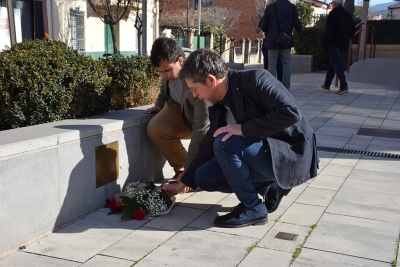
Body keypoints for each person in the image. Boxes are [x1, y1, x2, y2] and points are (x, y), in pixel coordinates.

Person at [164, 49, 318, 228]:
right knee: (203, 177)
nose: (194, 95)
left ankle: (253, 207)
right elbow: (207, 144)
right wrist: (182, 184)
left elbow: (291, 113)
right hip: (264, 154)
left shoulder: (256, 80)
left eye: (194, 89)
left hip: (291, 154)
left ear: (211, 80)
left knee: (226, 143)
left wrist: (244, 129)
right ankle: (271, 184)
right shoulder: (215, 103)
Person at [144, 37, 210, 184]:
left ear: (180, 61)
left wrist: (190, 173)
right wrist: (159, 104)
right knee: (155, 129)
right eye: (159, 72)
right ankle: (181, 170)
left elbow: (201, 129)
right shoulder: (168, 65)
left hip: (203, 119)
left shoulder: (198, 74)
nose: (163, 76)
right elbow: (164, 86)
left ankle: (192, 174)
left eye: (166, 71)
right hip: (177, 107)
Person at [261, 0, 302, 90]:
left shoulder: (269, 7)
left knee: (272, 63)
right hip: (286, 40)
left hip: (272, 40)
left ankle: (271, 87)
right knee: (286, 64)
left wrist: (271, 31)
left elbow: (263, 26)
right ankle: (286, 87)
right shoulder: (292, 7)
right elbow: (297, 24)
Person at [320, 0, 356, 95]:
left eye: (332, 3)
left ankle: (344, 86)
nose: (331, 4)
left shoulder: (333, 14)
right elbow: (353, 30)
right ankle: (326, 85)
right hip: (343, 44)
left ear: (335, 3)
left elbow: (329, 30)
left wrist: (327, 42)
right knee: (333, 63)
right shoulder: (347, 14)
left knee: (337, 64)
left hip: (334, 43)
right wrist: (347, 39)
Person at [250, 13, 283, 82]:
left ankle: (270, 83)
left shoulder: (266, 17)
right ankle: (280, 85)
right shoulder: (278, 16)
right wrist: (254, 22)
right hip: (276, 43)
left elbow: (257, 30)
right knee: (278, 65)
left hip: (269, 43)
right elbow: (258, 30)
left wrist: (254, 23)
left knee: (270, 65)